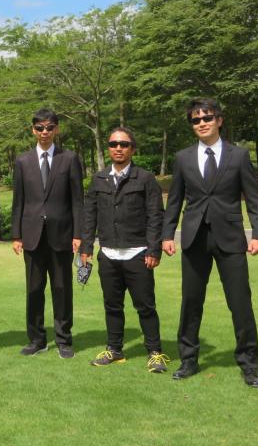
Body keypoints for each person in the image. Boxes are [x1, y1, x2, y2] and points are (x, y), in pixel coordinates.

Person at [162, 98, 258, 388]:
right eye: (195, 120)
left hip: (230, 238)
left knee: (240, 302)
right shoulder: (183, 158)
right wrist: (167, 234)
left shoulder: (239, 156)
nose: (201, 123)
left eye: (207, 118)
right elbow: (174, 200)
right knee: (191, 302)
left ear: (219, 120)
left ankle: (249, 364)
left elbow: (253, 197)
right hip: (194, 238)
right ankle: (188, 359)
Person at [80, 127, 170, 373]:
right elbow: (89, 216)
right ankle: (114, 350)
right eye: (113, 144)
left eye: (124, 144)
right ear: (108, 148)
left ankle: (155, 353)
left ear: (132, 149)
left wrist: (154, 250)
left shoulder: (145, 178)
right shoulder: (98, 179)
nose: (118, 148)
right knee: (112, 305)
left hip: (138, 254)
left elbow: (155, 216)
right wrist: (86, 247)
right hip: (108, 254)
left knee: (145, 306)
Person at [11, 108, 83, 358]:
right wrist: (16, 235)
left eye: (50, 127)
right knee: (34, 290)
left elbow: (77, 201)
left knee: (62, 289)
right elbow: (18, 202)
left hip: (62, 234)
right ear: (33, 130)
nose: (45, 132)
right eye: (40, 128)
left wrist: (78, 233)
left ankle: (64, 340)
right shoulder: (22, 161)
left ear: (57, 129)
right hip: (32, 236)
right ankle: (37, 339)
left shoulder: (69, 159)